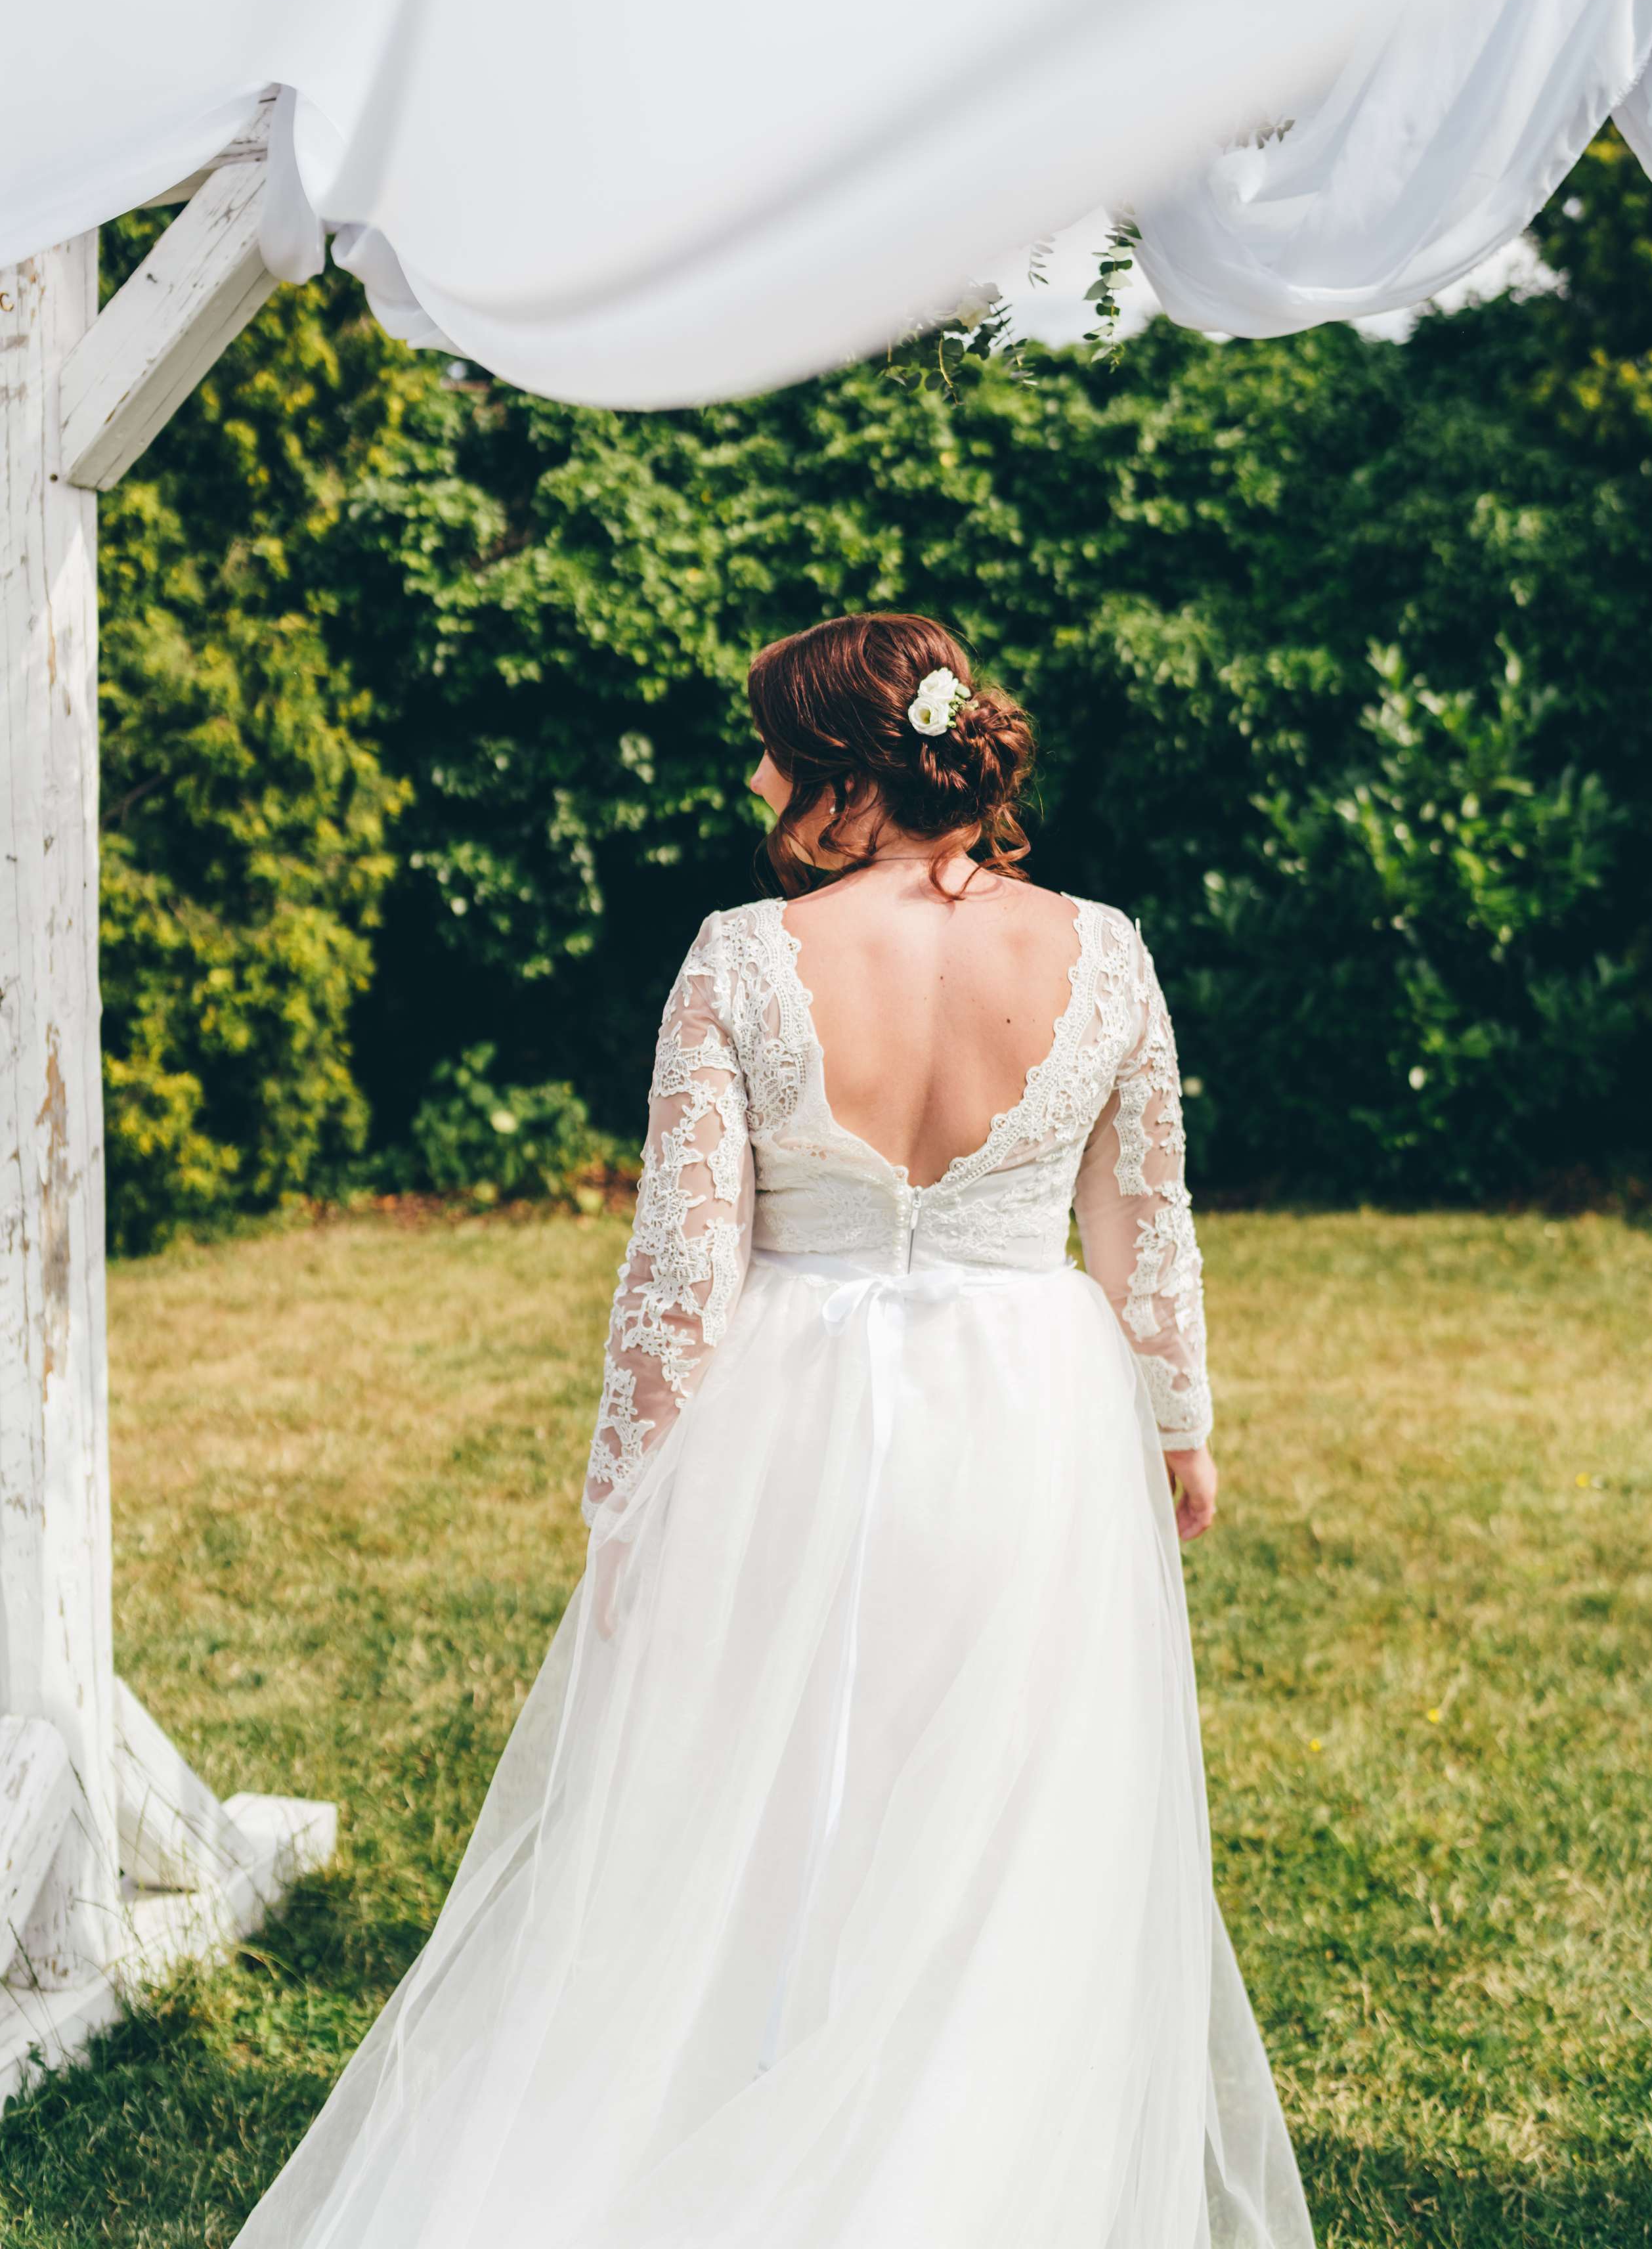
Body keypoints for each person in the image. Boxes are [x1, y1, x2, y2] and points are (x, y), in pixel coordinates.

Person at [235, 612, 1314, 2249]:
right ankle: (961, 2157)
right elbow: (1139, 1229)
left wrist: (630, 1503)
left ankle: (762, 2108)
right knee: (997, 1798)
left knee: (782, 1784)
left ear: (847, 778)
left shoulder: (742, 957)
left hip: (793, 1416)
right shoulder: (1103, 951)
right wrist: (1179, 1427)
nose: (753, 779)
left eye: (771, 749)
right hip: (1033, 1417)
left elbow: (681, 1272)